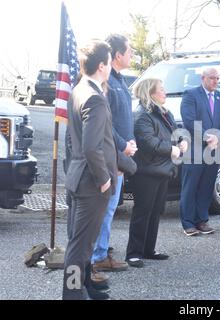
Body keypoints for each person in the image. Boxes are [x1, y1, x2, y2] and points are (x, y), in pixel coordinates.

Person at [62, 40, 117, 300]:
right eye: (109, 62)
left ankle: (83, 286)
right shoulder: (94, 98)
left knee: (81, 242)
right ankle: (72, 294)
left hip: (77, 177)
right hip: (91, 183)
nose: (111, 66)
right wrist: (104, 178)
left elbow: (76, 140)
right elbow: (92, 147)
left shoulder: (78, 90)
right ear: (102, 66)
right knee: (80, 246)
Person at [125, 78, 187, 267]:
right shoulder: (142, 115)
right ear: (150, 92)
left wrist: (182, 140)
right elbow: (148, 142)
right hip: (146, 171)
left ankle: (148, 249)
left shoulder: (163, 112)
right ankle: (133, 253)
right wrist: (171, 149)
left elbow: (176, 132)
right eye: (161, 89)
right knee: (143, 212)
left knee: (155, 212)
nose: (165, 92)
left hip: (162, 169)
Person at [90, 34, 135, 274]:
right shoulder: (108, 84)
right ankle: (97, 256)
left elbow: (123, 117)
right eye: (129, 52)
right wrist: (122, 145)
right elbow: (106, 123)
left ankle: (101, 249)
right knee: (105, 208)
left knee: (110, 207)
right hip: (112, 154)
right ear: (117, 55)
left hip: (122, 153)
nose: (132, 56)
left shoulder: (120, 80)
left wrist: (131, 141)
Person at [180, 68, 220, 236]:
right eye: (211, 78)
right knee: (191, 186)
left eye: (217, 78)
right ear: (203, 78)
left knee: (207, 186)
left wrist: (217, 137)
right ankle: (188, 223)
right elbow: (189, 120)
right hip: (195, 148)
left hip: (214, 149)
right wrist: (205, 137)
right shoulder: (191, 94)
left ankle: (202, 220)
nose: (215, 81)